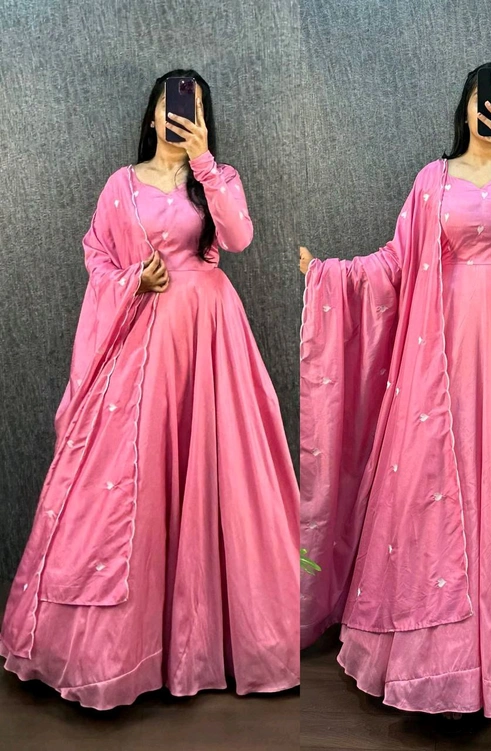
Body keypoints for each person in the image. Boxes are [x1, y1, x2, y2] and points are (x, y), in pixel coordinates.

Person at [299, 62, 491, 720]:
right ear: (464, 107)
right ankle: (441, 657)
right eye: (482, 102)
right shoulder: (432, 180)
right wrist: (332, 275)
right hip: (445, 347)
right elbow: (397, 259)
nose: (490, 113)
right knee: (444, 472)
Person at [0, 68, 299, 710]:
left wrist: (205, 162)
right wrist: (134, 278)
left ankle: (219, 645)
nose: (178, 115)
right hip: (144, 341)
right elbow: (96, 255)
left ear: (202, 118)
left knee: (220, 473)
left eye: (191, 108)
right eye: (169, 104)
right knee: (132, 477)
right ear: (153, 113)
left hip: (211, 338)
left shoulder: (216, 178)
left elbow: (239, 238)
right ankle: (121, 652)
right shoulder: (121, 184)